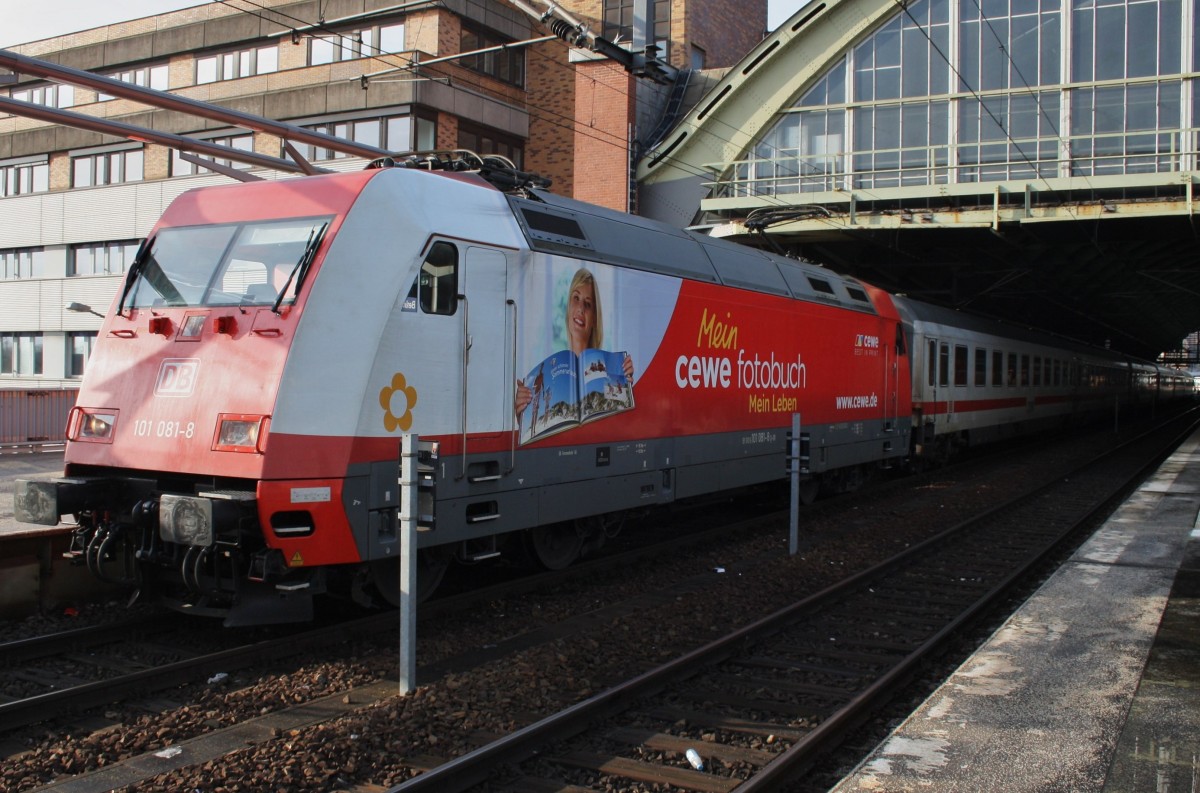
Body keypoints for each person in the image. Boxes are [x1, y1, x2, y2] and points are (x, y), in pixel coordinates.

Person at [516, 268, 634, 419]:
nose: (580, 309)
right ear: (568, 308)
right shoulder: (546, 366)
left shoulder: (608, 370)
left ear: (594, 319)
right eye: (576, 298)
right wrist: (522, 412)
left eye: (588, 304)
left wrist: (628, 388)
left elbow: (620, 424)